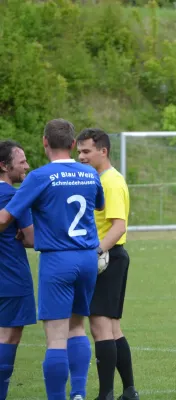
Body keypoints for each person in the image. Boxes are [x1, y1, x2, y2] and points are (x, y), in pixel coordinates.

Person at [0, 119, 105, 400]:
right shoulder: (90, 173)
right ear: (73, 144)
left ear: (45, 142)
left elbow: (5, 218)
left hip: (57, 260)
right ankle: (79, 393)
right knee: (77, 327)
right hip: (87, 258)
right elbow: (98, 205)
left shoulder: (39, 177)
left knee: (56, 338)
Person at [77, 128, 138, 400]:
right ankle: (128, 391)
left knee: (100, 327)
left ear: (104, 151)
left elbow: (118, 226)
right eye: (79, 151)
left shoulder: (110, 182)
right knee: (112, 328)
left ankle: (106, 395)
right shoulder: (100, 178)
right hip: (111, 257)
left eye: (86, 151)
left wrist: (96, 252)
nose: (81, 157)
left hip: (108, 258)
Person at [0, 141, 35, 400]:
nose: (27, 166)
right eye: (21, 161)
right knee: (8, 339)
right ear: (4, 166)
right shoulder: (14, 196)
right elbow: (32, 239)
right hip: (11, 278)